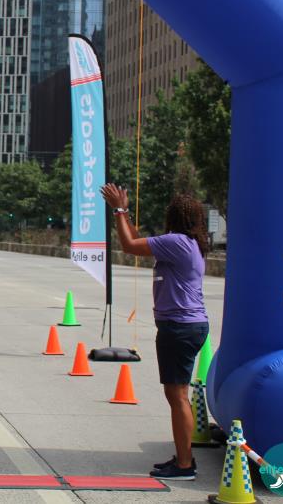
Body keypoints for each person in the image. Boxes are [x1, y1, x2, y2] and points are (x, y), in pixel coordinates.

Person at [100, 183, 208, 481]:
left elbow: (128, 246)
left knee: (178, 396)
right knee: (177, 394)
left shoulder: (176, 242)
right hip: (187, 325)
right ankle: (183, 456)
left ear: (173, 218)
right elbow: (137, 240)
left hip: (179, 326)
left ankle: (185, 465)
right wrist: (124, 212)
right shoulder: (187, 243)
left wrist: (118, 210)